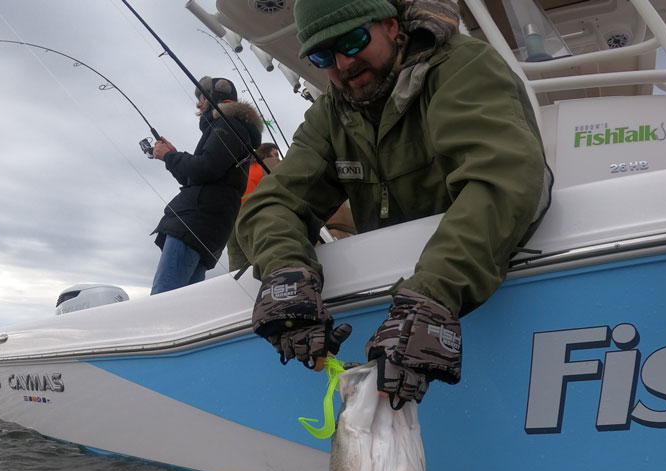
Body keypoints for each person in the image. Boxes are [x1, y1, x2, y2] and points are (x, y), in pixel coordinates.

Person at [236, 0, 552, 408]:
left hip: (462, 297)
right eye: (322, 55)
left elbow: (506, 178)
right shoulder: (330, 114)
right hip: (401, 327)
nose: (343, 63)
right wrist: (287, 276)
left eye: (353, 40)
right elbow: (271, 203)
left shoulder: (461, 66)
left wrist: (433, 294)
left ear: (390, 26)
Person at [150, 76, 263, 294]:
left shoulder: (228, 124)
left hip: (194, 225)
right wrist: (172, 157)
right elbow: (199, 177)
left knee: (163, 298)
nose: (198, 103)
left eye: (202, 96)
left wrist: (170, 157)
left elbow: (206, 167)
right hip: (208, 228)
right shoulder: (233, 127)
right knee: (185, 302)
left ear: (216, 96)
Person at [227, 143, 281, 272]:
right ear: (265, 154)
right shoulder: (268, 165)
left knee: (237, 267)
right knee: (263, 259)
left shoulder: (243, 168)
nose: (278, 158)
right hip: (253, 216)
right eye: (275, 154)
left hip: (232, 219)